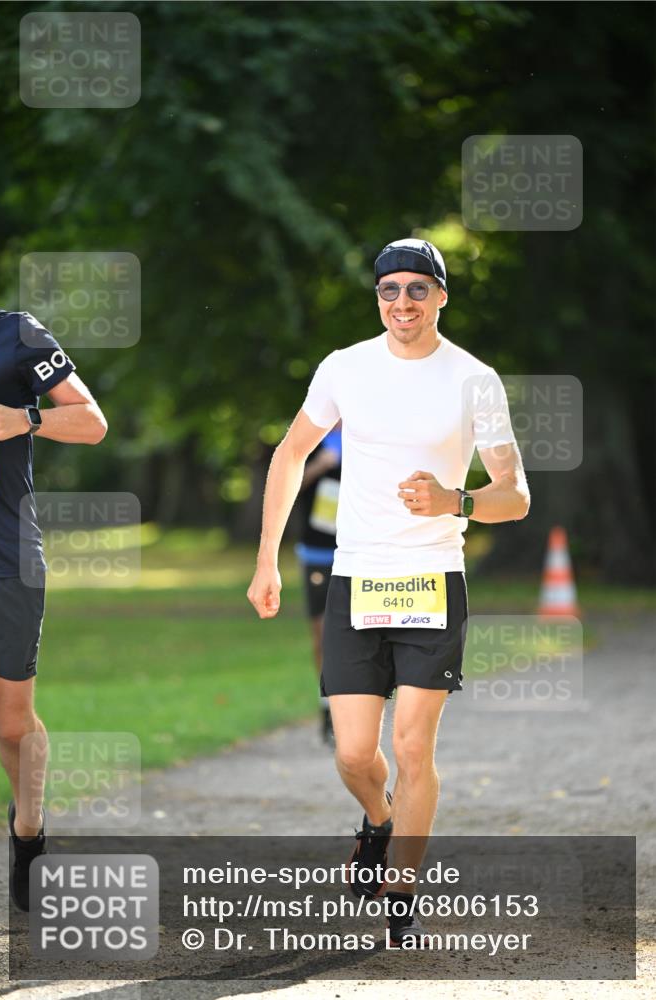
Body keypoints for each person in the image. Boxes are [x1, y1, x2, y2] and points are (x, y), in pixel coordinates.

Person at [247, 238, 529, 947]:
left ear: (439, 295)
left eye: (416, 288)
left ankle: (402, 886)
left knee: (411, 747)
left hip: (432, 581)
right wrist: (266, 561)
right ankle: (377, 821)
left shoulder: (474, 380)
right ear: (377, 297)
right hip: (356, 579)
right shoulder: (344, 368)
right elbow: (289, 455)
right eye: (388, 290)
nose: (401, 302)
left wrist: (453, 501)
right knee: (351, 754)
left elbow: (514, 496)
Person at [0, 308, 107, 911]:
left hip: (4, 557)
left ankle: (29, 826)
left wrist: (22, 418)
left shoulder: (14, 334)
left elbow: (92, 423)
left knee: (12, 723)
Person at [295, 423, 341, 744]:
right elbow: (287, 484)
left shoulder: (373, 427)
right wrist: (319, 465)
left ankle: (357, 709)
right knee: (322, 633)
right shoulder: (310, 436)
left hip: (363, 551)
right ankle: (328, 706)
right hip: (318, 552)